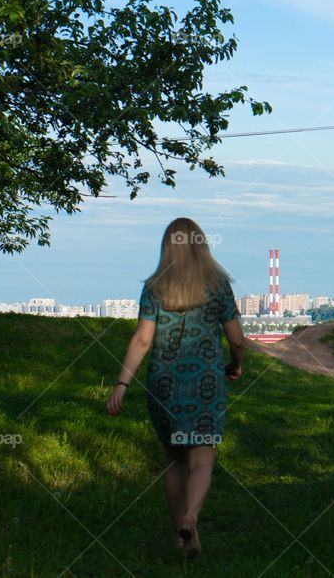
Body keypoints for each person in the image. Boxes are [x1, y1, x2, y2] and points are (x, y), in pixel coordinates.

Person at [106, 217, 246, 558]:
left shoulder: (155, 287)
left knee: (175, 463)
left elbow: (142, 340)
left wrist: (122, 384)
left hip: (164, 384)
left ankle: (180, 537)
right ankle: (191, 518)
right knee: (202, 460)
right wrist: (236, 363)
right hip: (207, 385)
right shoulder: (218, 285)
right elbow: (237, 338)